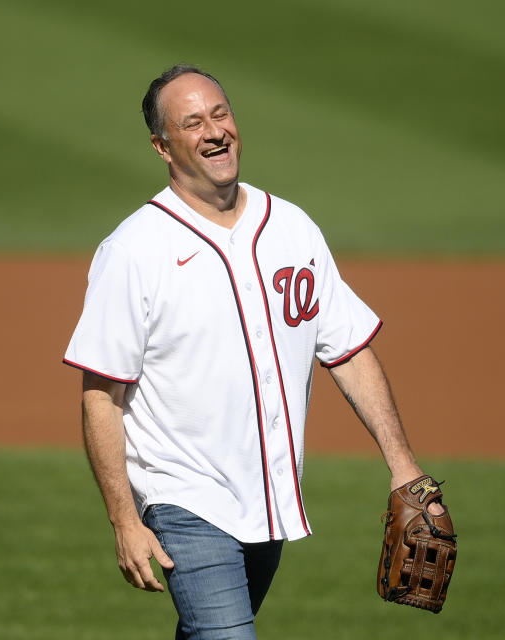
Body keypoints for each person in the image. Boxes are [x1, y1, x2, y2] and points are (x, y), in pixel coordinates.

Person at [63, 64, 439, 639]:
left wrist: (404, 468)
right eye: (192, 123)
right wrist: (123, 519)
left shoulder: (291, 228)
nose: (215, 131)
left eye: (220, 114)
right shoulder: (135, 249)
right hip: (181, 501)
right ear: (162, 147)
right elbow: (101, 396)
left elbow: (348, 350)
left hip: (268, 502)